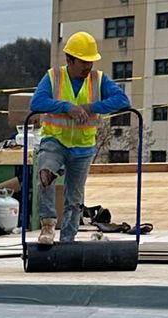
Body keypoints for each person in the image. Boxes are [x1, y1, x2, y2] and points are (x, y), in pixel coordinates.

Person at [27, 31, 130, 243]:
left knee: (74, 198)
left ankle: (68, 239)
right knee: (45, 175)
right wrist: (67, 107)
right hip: (55, 141)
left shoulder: (98, 79)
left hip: (83, 147)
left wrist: (91, 107)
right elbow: (36, 103)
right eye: (83, 62)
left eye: (90, 61)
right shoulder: (54, 77)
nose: (88, 66)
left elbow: (122, 100)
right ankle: (48, 225)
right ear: (69, 59)